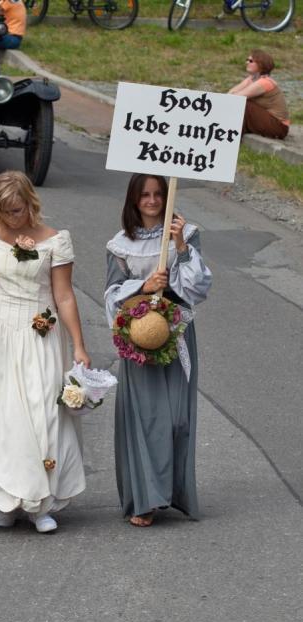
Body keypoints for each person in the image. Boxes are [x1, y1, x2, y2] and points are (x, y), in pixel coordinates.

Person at [0, 171, 89, 533]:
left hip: (39, 330)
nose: (13, 218)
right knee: (2, 416)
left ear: (30, 202)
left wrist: (80, 346)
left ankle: (41, 504)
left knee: (41, 411)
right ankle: (6, 496)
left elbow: (65, 295)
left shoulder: (56, 241)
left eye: (19, 209)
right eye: (6, 211)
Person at [104, 174, 212, 527]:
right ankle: (145, 500)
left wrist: (180, 246)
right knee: (146, 418)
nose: (152, 201)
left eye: (158, 194)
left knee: (177, 418)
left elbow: (197, 288)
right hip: (139, 336)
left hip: (177, 331)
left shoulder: (187, 234)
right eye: (145, 195)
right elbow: (111, 295)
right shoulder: (120, 245)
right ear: (134, 200)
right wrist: (143, 285)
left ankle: (174, 491)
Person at [228, 49, 290, 140]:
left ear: (261, 64)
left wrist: (233, 95)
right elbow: (230, 94)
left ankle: (233, 137)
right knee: (243, 103)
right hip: (266, 120)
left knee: (245, 104)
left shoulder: (265, 82)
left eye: (251, 61)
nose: (247, 62)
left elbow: (236, 98)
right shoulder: (251, 79)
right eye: (247, 60)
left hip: (279, 127)